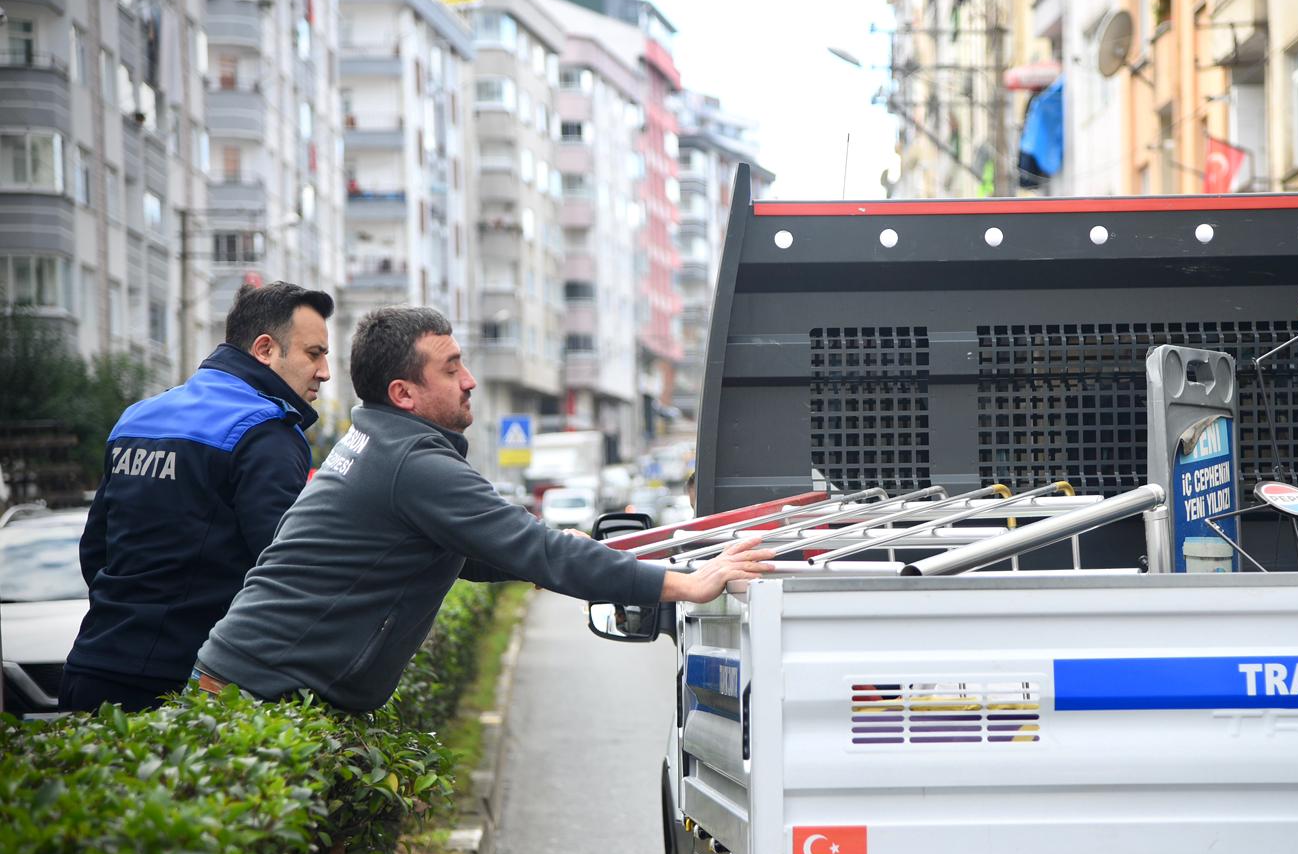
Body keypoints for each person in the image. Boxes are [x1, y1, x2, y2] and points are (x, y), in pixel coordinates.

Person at [193, 307, 772, 713]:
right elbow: (537, 550)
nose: (469, 381)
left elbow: (480, 553)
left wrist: (579, 550)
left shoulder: (381, 442)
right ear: (403, 394)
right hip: (254, 697)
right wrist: (690, 585)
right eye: (450, 369)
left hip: (249, 683)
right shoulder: (412, 464)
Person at [61, 281, 334, 711]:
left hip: (92, 665)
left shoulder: (138, 417)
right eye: (314, 354)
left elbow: (96, 550)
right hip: (187, 686)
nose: (324, 372)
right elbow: (285, 572)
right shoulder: (266, 432)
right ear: (265, 350)